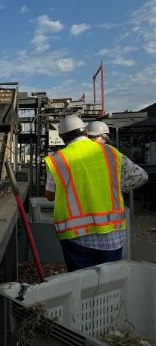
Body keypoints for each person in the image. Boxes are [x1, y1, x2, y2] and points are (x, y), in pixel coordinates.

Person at [44, 115, 147, 272]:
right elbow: (140, 176)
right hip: (112, 234)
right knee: (110, 283)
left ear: (62, 137)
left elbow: (49, 195)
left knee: (82, 284)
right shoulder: (112, 153)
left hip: (76, 236)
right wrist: (113, 187)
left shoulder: (57, 159)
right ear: (85, 131)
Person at [86, 121, 148, 194]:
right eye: (88, 137)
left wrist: (115, 188)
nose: (90, 140)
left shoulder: (112, 154)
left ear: (103, 137)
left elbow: (141, 176)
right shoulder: (89, 154)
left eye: (93, 137)